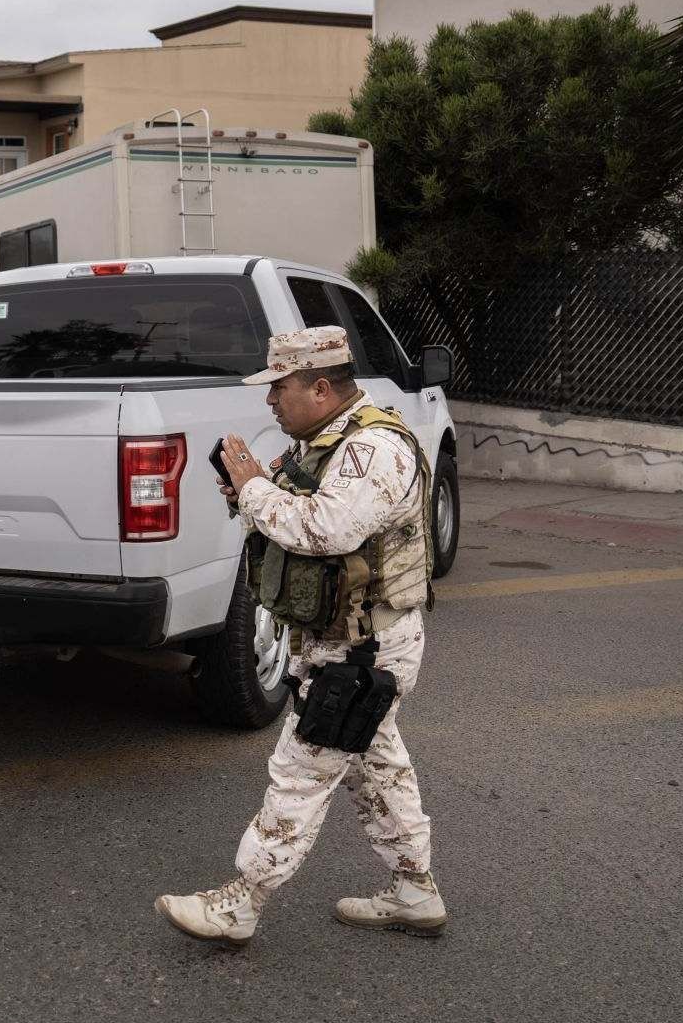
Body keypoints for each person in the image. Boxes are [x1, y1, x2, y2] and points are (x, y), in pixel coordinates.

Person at [155, 326, 443, 947]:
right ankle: (415, 891)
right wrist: (251, 490)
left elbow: (325, 529)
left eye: (279, 388)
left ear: (319, 386)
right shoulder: (322, 443)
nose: (270, 401)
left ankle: (240, 904)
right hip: (346, 641)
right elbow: (286, 516)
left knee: (300, 775)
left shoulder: (374, 449)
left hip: (362, 652)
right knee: (379, 769)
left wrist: (256, 490)